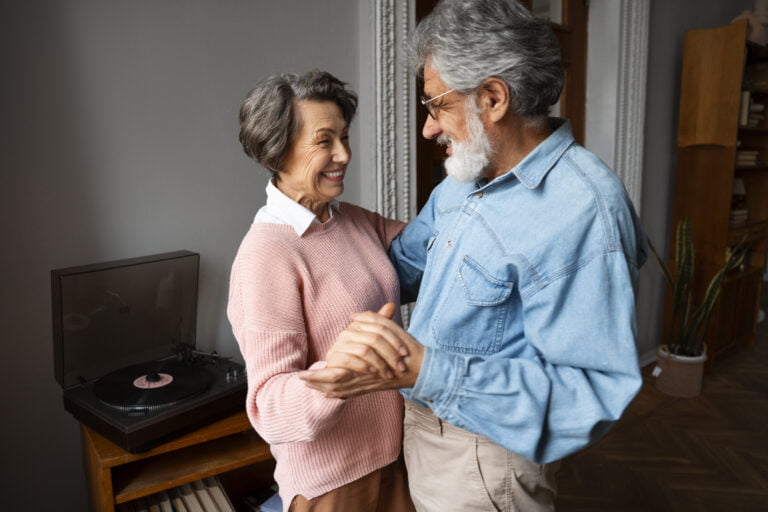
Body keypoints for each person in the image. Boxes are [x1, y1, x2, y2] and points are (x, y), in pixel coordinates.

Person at [300, 1, 648, 511]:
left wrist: (426, 371)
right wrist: (308, 236)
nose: (429, 129)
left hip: (487, 462)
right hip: (421, 432)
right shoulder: (463, 182)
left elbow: (591, 394)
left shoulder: (582, 210)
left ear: (492, 98)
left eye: (436, 105)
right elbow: (402, 267)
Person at [227, 70, 415, 512]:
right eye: (324, 140)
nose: (344, 154)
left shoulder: (349, 218)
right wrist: (337, 375)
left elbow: (432, 246)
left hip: (397, 454)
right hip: (333, 483)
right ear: (277, 149)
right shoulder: (266, 255)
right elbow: (268, 406)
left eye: (345, 137)